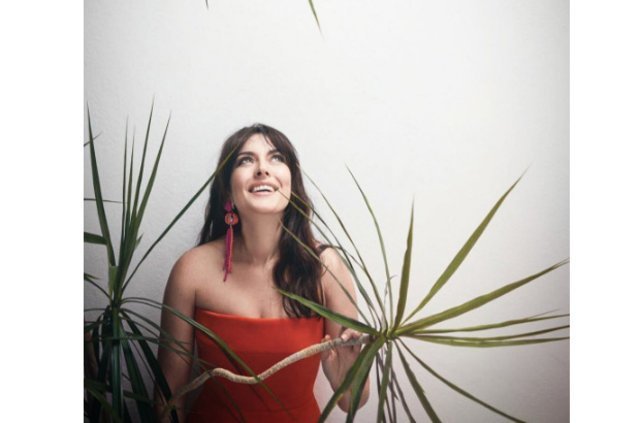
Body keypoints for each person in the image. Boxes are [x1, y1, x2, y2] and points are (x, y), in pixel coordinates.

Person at [156, 124, 369, 422]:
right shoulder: (191, 270)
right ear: (227, 189)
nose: (262, 169)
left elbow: (351, 401)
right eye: (245, 160)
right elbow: (167, 397)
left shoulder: (326, 267)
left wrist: (345, 379)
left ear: (292, 183)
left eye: (276, 158)